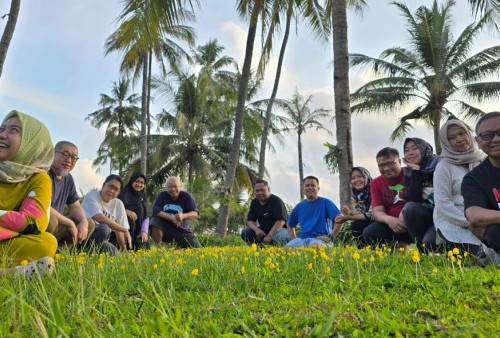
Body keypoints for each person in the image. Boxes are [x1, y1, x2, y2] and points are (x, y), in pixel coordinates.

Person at [0, 110, 57, 278]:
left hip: (6, 239)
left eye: (13, 130)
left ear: (31, 142)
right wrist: (13, 219)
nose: (2, 135)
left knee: (47, 243)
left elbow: (34, 222)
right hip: (9, 232)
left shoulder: (39, 179)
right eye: (2, 129)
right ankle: (9, 273)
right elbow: (24, 221)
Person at [433, 120, 485, 255]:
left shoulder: (484, 159)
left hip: (484, 217)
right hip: (453, 218)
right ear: (446, 142)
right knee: (474, 254)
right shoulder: (443, 166)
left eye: (462, 133)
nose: (459, 139)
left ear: (469, 135)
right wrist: (469, 223)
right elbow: (442, 203)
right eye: (452, 137)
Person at [462, 112, 500, 263]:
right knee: (494, 233)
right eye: (488, 135)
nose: (496, 139)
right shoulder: (474, 178)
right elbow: (474, 214)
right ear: (477, 141)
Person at [47, 141, 94, 247]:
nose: (69, 160)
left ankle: (59, 254)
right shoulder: (44, 172)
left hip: (57, 225)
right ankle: (38, 254)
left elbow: (75, 206)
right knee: (51, 220)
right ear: (53, 153)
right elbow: (44, 206)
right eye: (65, 154)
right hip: (40, 222)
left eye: (73, 158)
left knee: (89, 222)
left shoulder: (68, 178)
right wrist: (69, 223)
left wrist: (83, 221)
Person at [362, 147, 412, 246]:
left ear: (399, 161)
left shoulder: (411, 174)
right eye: (381, 165)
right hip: (391, 224)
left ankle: (426, 251)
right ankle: (389, 256)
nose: (386, 168)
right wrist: (389, 220)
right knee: (370, 232)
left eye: (390, 163)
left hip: (414, 219)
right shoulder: (375, 183)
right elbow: (378, 211)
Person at [401, 137, 440, 251]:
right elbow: (414, 198)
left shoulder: (440, 164)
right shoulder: (409, 171)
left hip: (444, 214)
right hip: (427, 214)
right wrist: (416, 171)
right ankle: (421, 251)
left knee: (430, 242)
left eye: (415, 148)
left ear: (424, 149)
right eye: (406, 150)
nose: (410, 153)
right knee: (409, 208)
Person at [285, 176, 343, 248]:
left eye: (313, 185)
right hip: (302, 239)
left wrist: (330, 237)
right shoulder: (299, 206)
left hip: (320, 239)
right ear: (303, 189)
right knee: (285, 250)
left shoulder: (326, 203)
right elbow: (290, 224)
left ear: (318, 189)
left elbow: (340, 218)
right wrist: (294, 239)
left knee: (314, 248)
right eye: (307, 185)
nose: (310, 188)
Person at [81, 174, 132, 254]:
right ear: (104, 185)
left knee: (114, 252)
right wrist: (125, 230)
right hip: (83, 235)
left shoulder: (118, 204)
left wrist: (125, 251)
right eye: (110, 186)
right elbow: (100, 218)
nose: (111, 191)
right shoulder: (91, 196)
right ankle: (81, 251)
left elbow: (119, 231)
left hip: (100, 240)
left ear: (118, 193)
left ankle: (91, 253)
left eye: (116, 189)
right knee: (104, 229)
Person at [150, 177, 201, 248]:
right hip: (165, 228)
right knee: (154, 221)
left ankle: (176, 246)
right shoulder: (162, 195)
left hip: (182, 230)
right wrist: (173, 219)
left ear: (180, 186)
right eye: (170, 187)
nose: (173, 189)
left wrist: (183, 216)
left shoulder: (187, 196)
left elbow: (195, 213)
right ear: (166, 188)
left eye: (175, 186)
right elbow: (155, 211)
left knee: (198, 249)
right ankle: (159, 248)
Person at [241, 179, 290, 246]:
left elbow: (281, 221)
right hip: (263, 231)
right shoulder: (254, 202)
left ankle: (281, 252)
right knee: (245, 232)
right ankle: (258, 249)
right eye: (257, 191)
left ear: (268, 190)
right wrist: (257, 230)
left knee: (279, 237)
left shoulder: (276, 201)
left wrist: (270, 236)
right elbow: (250, 221)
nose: (259, 193)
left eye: (262, 190)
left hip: (280, 230)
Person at [337, 167, 374, 244]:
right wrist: (351, 212)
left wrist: (348, 217)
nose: (356, 180)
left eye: (360, 176)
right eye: (353, 178)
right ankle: (363, 251)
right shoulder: (355, 196)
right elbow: (361, 213)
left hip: (380, 221)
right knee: (356, 225)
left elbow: (371, 215)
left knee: (361, 225)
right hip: (368, 221)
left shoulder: (374, 189)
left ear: (366, 176)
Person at [118, 172, 150, 250]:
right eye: (137, 181)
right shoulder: (123, 194)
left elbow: (146, 216)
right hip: (123, 231)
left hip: (138, 232)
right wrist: (125, 211)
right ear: (132, 181)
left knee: (144, 250)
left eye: (142, 183)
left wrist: (144, 231)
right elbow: (115, 209)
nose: (139, 184)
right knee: (129, 219)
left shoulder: (143, 197)